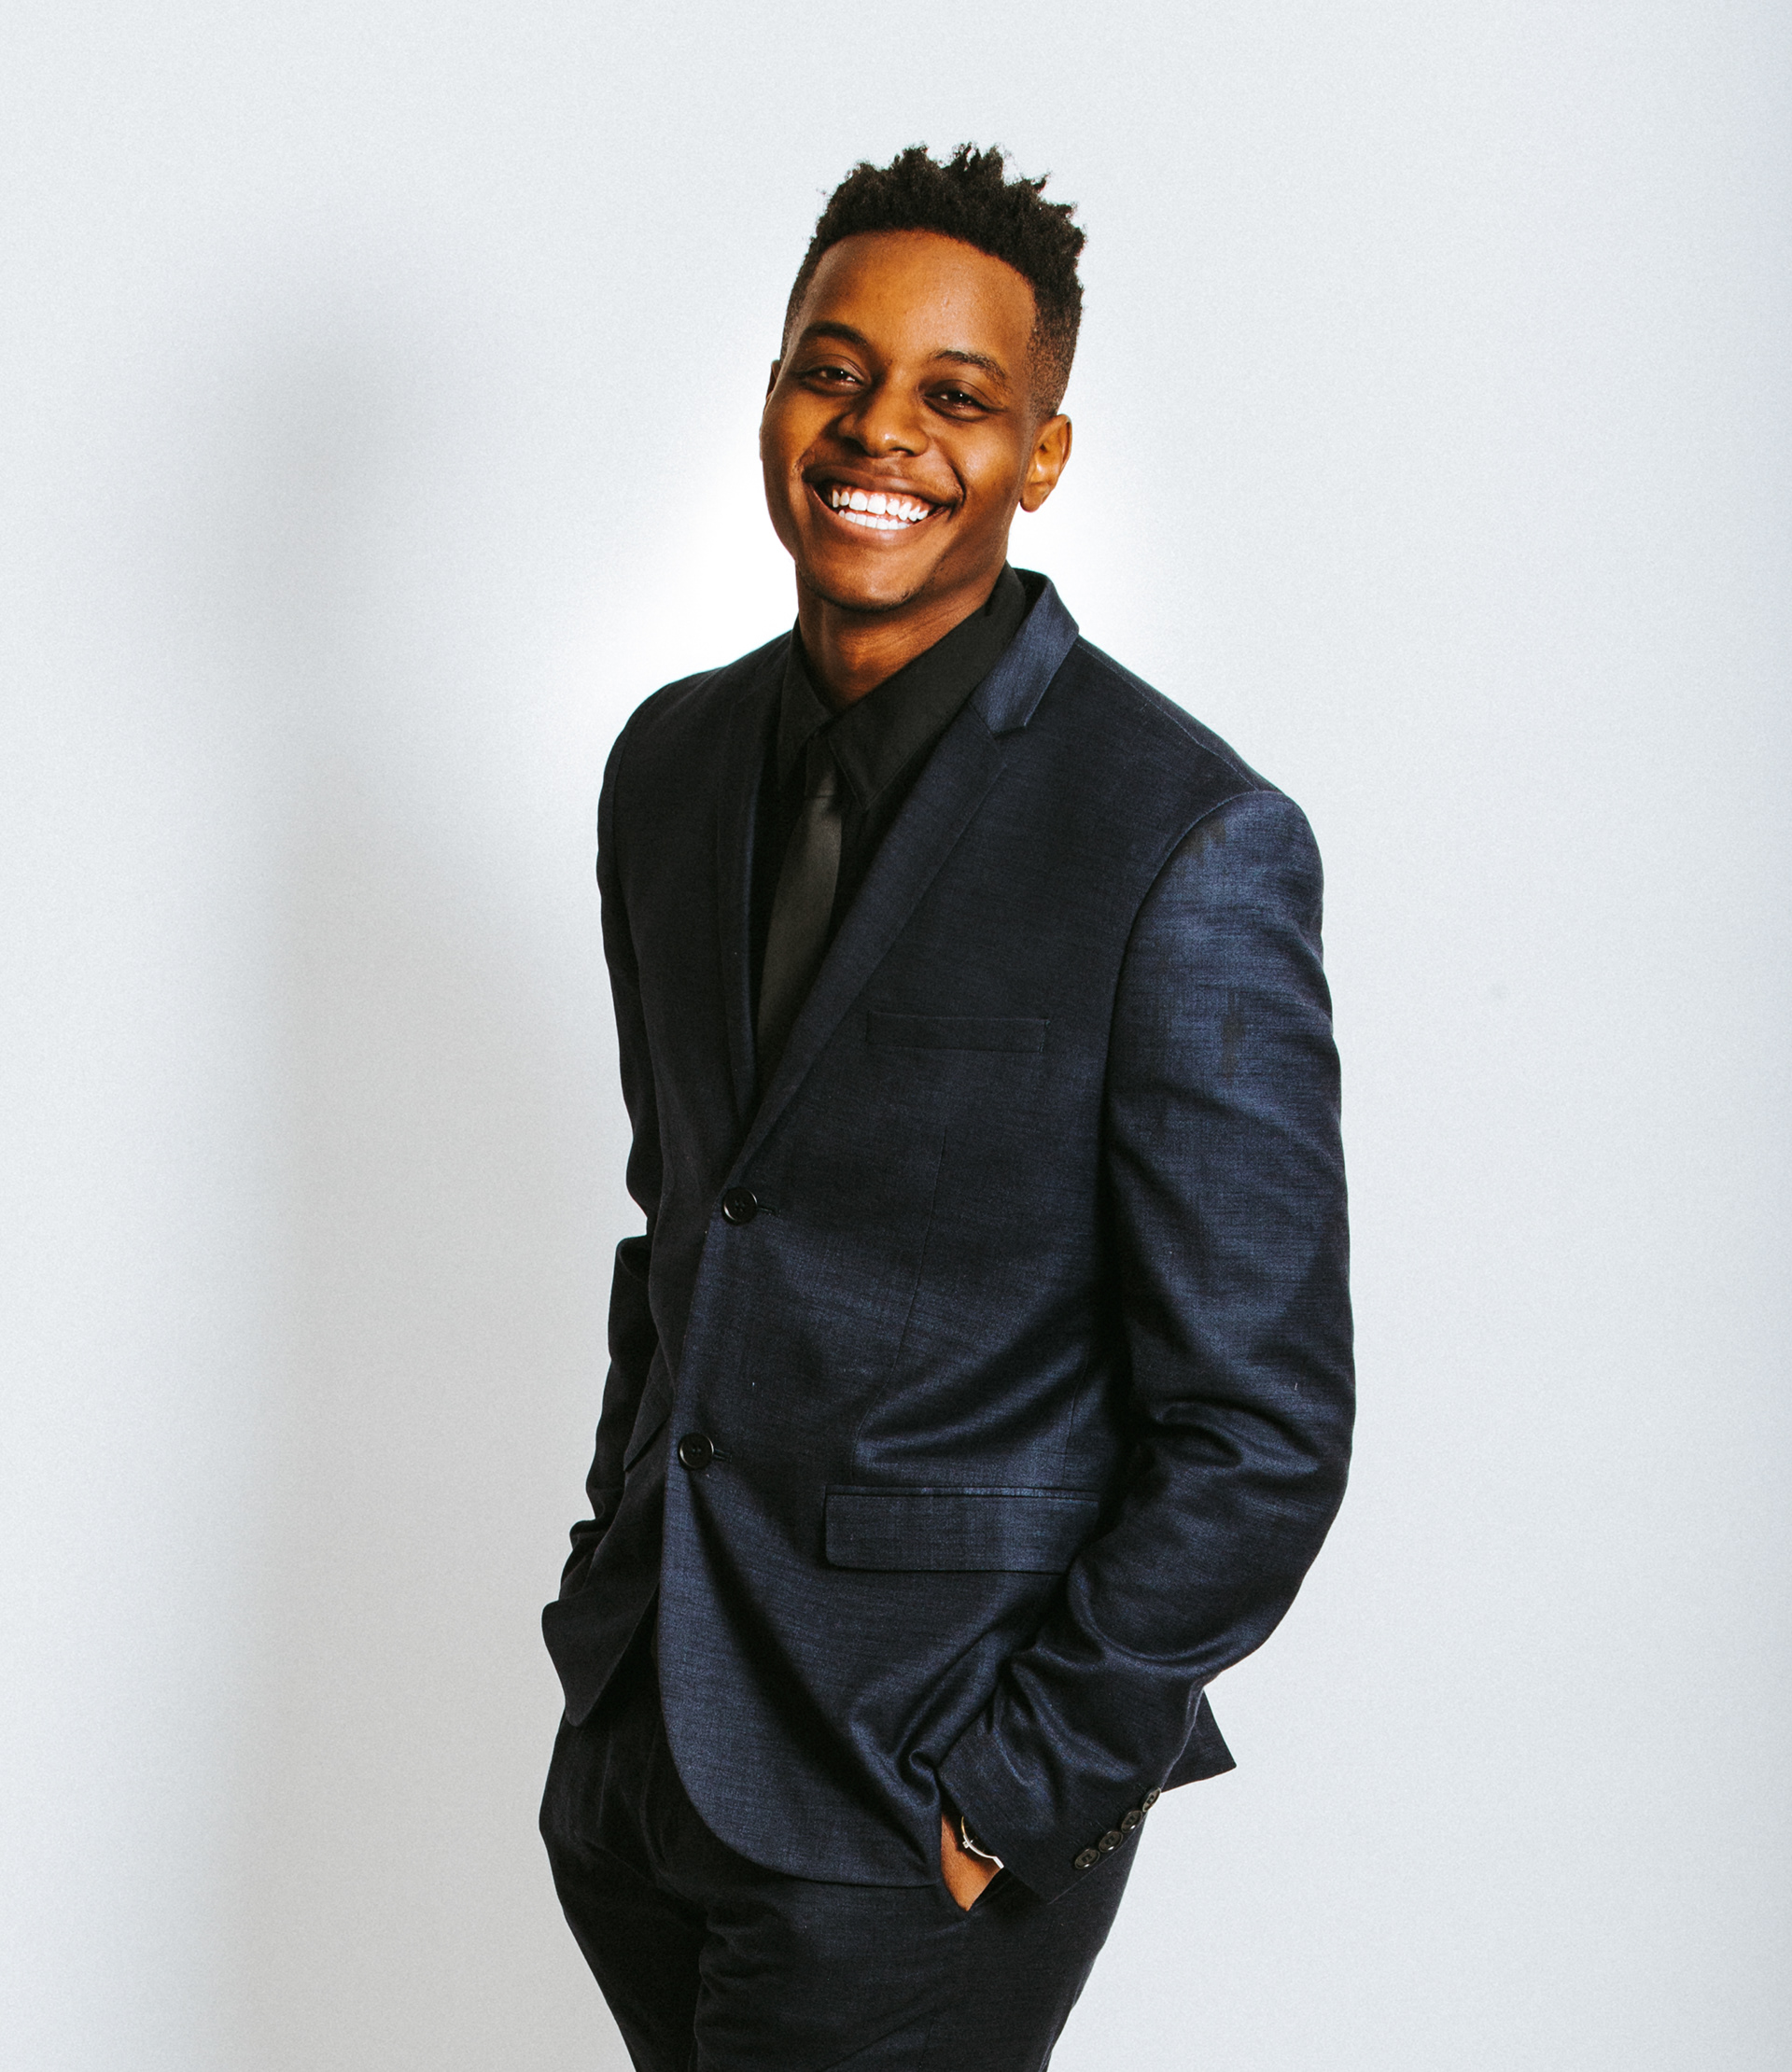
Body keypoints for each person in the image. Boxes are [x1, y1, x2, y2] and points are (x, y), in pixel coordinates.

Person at [539, 143, 1353, 2072]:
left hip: (922, 1801)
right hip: (646, 1761)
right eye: (833, 372)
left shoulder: (1183, 841)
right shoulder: (669, 766)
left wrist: (1016, 1789)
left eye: (955, 395)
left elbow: (1260, 1427)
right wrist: (604, 1599)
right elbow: (692, 1221)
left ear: (1041, 454)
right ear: (770, 396)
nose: (878, 431)